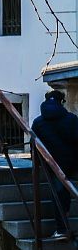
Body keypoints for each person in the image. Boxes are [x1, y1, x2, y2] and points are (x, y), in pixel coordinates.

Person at [32, 90, 78, 239]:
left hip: (50, 163)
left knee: (58, 192)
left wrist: (37, 163)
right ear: (62, 101)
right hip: (70, 162)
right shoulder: (71, 119)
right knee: (63, 191)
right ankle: (63, 226)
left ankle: (62, 228)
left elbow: (34, 145)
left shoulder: (38, 122)